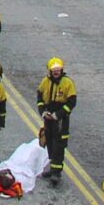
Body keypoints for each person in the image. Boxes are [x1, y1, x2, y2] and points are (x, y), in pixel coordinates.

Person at [37, 57, 77, 186]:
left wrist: (58, 115)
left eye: (58, 70)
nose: (56, 72)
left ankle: (56, 172)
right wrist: (43, 112)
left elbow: (71, 102)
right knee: (49, 142)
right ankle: (52, 167)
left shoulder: (67, 83)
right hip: (48, 118)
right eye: (53, 70)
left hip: (61, 120)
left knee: (59, 145)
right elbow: (40, 97)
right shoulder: (45, 82)